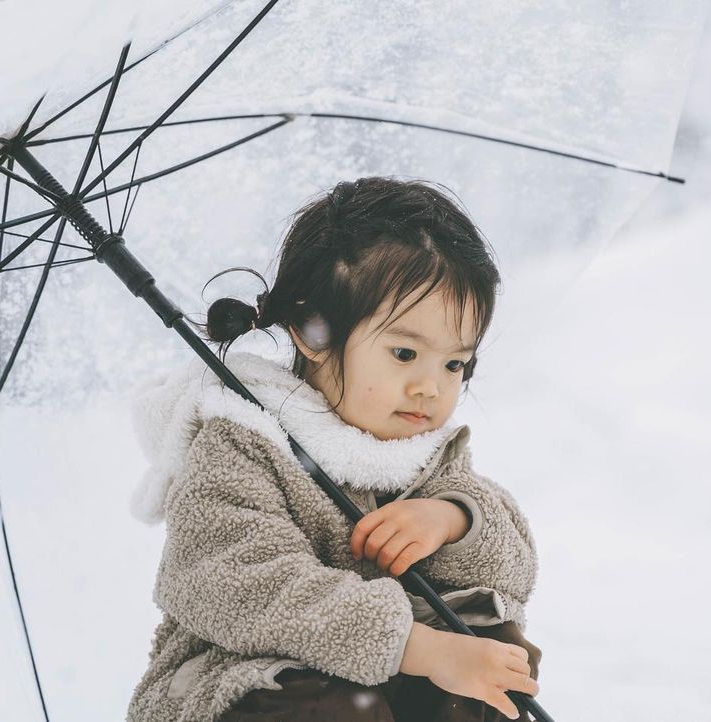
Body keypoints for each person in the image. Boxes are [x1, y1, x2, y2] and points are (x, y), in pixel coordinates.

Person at [125, 177, 542, 722]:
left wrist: (453, 518)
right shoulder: (243, 440)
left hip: (386, 686)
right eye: (403, 352)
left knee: (492, 653)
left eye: (454, 364)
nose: (430, 386)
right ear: (312, 331)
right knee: (337, 709)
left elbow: (513, 565)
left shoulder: (421, 451)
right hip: (242, 686)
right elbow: (237, 584)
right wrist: (416, 647)